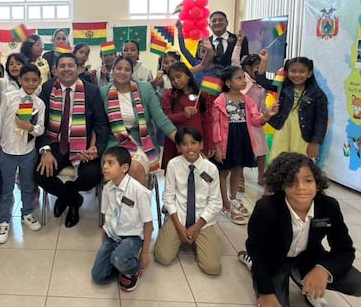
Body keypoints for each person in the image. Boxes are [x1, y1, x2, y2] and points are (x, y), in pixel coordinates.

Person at [243, 153, 361, 307]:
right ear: (282, 184)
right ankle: (253, 266)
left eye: (308, 180)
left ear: (317, 182)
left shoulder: (328, 206)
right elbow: (257, 251)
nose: (301, 187)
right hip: (273, 261)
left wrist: (323, 270)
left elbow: (345, 249)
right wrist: (266, 292)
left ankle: (306, 282)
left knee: (357, 284)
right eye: (292, 181)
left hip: (307, 258)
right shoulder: (266, 208)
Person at [36, 53, 109, 228]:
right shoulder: (47, 89)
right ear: (55, 70)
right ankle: (72, 198)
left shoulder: (92, 91)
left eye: (71, 65)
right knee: (40, 174)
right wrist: (45, 150)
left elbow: (101, 123)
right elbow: (40, 122)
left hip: (83, 144)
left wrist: (96, 149)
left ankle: (68, 194)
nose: (66, 69)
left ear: (79, 69)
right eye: (62, 66)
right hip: (55, 142)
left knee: (92, 175)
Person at [212, 66, 279, 225]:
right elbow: (215, 126)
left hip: (242, 137)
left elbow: (256, 121)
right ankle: (225, 204)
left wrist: (267, 115)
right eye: (239, 78)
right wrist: (217, 147)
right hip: (227, 139)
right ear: (228, 82)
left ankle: (233, 198)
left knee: (238, 169)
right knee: (224, 172)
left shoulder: (247, 100)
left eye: (244, 77)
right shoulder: (219, 101)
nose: (243, 81)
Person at [154, 128, 222, 275]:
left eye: (194, 143)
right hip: (179, 216)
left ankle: (197, 240)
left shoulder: (211, 169)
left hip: (202, 220)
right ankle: (179, 235)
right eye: (184, 144)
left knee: (212, 268)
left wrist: (197, 227)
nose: (190, 147)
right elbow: (168, 196)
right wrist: (179, 226)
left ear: (201, 145)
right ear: (178, 147)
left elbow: (216, 202)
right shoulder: (173, 165)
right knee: (162, 257)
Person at [99, 56, 177, 184]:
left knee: (133, 167)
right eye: (119, 68)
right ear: (112, 70)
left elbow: (161, 119)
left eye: (127, 69)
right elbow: (99, 124)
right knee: (116, 169)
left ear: (132, 73)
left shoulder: (145, 89)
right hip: (115, 144)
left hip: (143, 144)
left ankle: (139, 203)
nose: (122, 72)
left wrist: (180, 139)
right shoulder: (103, 92)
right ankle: (118, 203)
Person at [0, 64, 46, 244]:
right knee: (6, 187)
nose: (30, 83)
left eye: (34, 80)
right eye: (27, 79)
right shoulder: (9, 98)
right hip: (8, 150)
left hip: (27, 151)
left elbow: (41, 129)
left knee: (28, 185)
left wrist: (30, 127)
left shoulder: (40, 103)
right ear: (20, 80)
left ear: (39, 81)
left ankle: (27, 213)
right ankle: (4, 220)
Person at [91, 146, 153, 292]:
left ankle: (133, 269)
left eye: (110, 163)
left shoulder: (138, 191)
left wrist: (144, 253)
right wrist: (104, 242)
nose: (105, 167)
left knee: (118, 258)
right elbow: (107, 216)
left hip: (132, 237)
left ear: (124, 167)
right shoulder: (107, 188)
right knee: (98, 277)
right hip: (113, 236)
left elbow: (149, 224)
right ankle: (120, 263)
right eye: (104, 163)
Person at [268, 57, 329, 161]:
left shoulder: (317, 95)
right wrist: (264, 60)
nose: (297, 75)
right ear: (287, 73)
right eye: (293, 71)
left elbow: (321, 121)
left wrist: (315, 143)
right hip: (284, 131)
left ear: (309, 73)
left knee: (301, 163)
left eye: (302, 71)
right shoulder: (283, 88)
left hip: (303, 135)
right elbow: (261, 80)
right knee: (279, 161)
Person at [161, 62, 212, 170]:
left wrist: (209, 143)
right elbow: (164, 118)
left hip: (196, 140)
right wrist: (183, 115)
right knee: (176, 173)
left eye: (178, 76)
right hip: (176, 141)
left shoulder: (201, 95)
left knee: (197, 172)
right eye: (172, 79)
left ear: (188, 75)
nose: (176, 81)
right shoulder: (170, 94)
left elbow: (207, 121)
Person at [239, 51, 278, 187]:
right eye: (257, 66)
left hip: (258, 120)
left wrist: (264, 115)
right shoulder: (244, 82)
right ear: (248, 69)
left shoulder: (260, 84)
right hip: (243, 120)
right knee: (243, 150)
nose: (260, 69)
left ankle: (261, 176)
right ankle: (240, 178)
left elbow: (261, 104)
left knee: (262, 150)